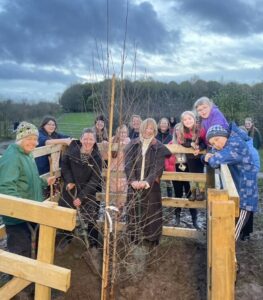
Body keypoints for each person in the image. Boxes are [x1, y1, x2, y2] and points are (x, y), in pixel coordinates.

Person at [0, 121, 55, 258]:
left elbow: (30, 178)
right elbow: (6, 188)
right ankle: (18, 278)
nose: (33, 142)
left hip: (31, 212)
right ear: (20, 139)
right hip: (18, 217)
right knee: (20, 253)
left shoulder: (27, 154)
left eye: (35, 139)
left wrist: (44, 181)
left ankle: (30, 278)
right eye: (29, 139)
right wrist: (23, 210)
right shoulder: (12, 158)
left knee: (32, 248)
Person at [204, 123, 259, 241]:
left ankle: (228, 248)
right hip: (240, 189)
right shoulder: (228, 143)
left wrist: (209, 157)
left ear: (224, 135)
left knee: (234, 231)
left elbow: (214, 161)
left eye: (217, 140)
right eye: (213, 143)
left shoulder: (236, 145)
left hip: (246, 194)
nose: (216, 145)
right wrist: (206, 157)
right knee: (233, 224)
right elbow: (212, 155)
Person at [125, 118, 171, 248]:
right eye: (146, 127)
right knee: (133, 210)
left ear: (155, 130)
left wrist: (147, 182)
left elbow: (157, 167)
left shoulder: (159, 147)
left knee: (152, 211)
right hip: (134, 185)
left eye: (151, 128)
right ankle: (134, 237)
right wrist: (133, 181)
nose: (148, 131)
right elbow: (128, 165)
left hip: (151, 186)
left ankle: (152, 238)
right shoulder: (132, 144)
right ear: (142, 128)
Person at [59, 128, 102, 257]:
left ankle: (93, 244)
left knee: (91, 217)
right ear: (81, 139)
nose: (88, 141)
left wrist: (82, 197)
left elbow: (95, 179)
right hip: (71, 188)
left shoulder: (96, 157)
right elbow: (65, 166)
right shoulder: (72, 152)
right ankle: (66, 239)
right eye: (85, 138)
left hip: (88, 190)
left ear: (94, 141)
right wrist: (69, 181)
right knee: (66, 213)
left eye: (91, 139)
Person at [169, 122, 200, 229]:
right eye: (176, 129)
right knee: (177, 194)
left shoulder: (189, 142)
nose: (178, 131)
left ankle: (194, 220)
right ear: (174, 132)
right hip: (176, 169)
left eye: (180, 129)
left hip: (188, 169)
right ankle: (177, 218)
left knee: (190, 194)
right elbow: (167, 159)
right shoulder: (170, 143)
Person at [156, 117, 173, 198]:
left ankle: (170, 197)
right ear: (159, 125)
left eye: (165, 123)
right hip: (156, 161)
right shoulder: (155, 135)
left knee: (168, 181)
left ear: (168, 125)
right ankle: (157, 197)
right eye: (162, 123)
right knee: (156, 180)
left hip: (167, 160)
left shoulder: (171, 136)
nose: (163, 124)